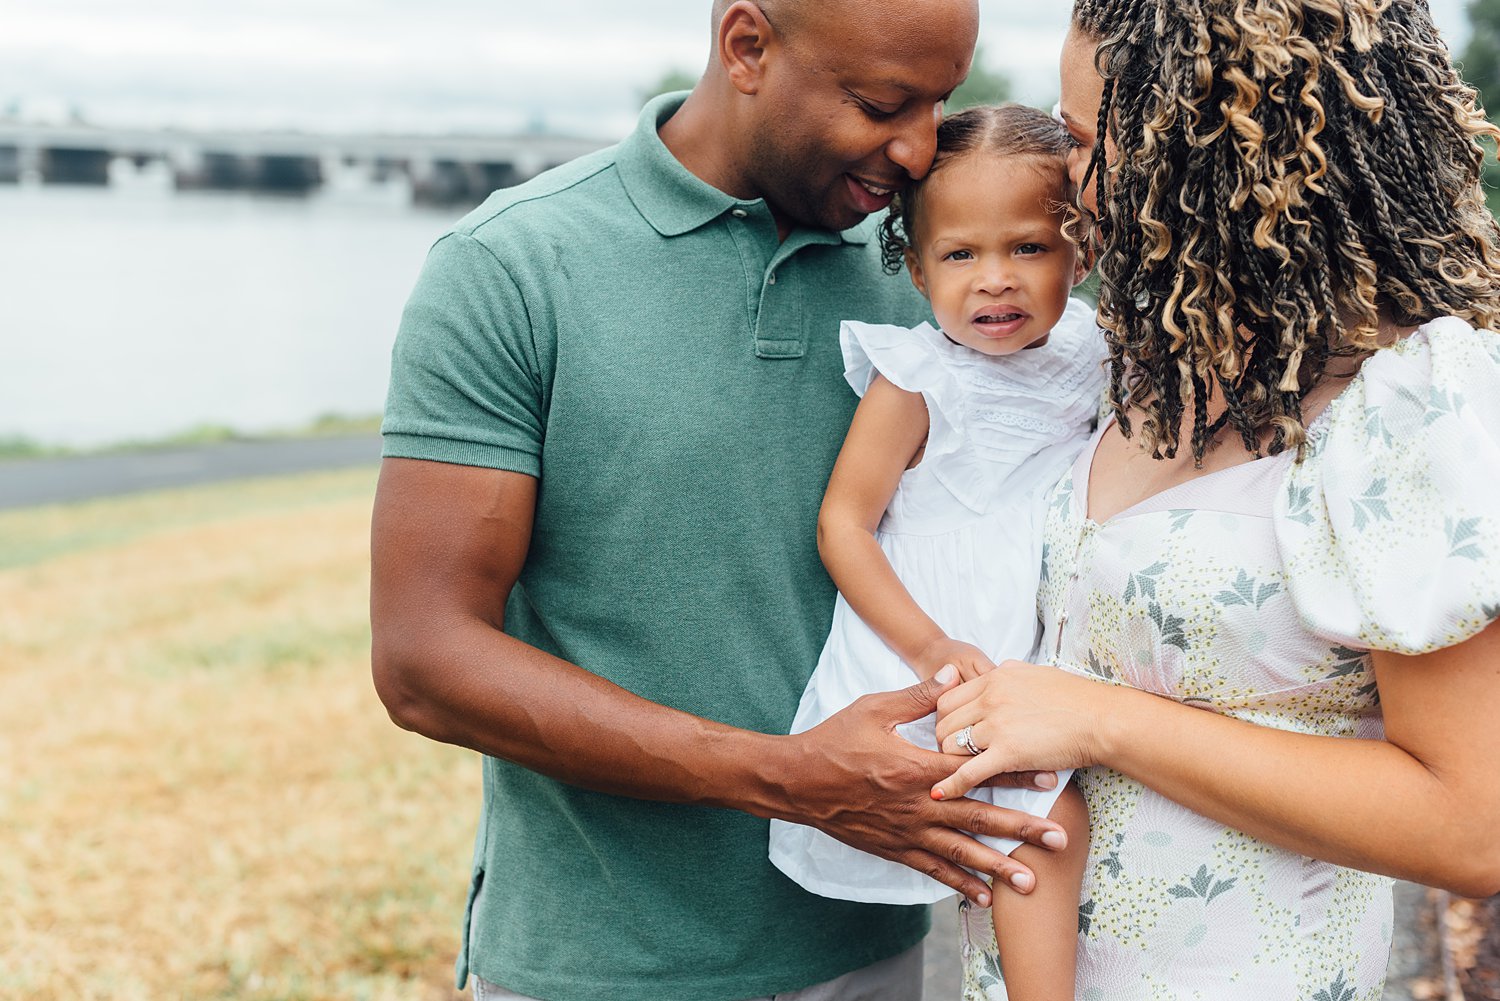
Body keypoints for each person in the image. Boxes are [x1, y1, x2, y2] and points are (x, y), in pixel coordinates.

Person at [369, 3, 1075, 1000]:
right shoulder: (513, 267)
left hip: (869, 949)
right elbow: (423, 659)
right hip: (593, 969)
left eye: (942, 102)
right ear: (747, 47)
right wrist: (787, 776)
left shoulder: (941, 270)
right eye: (883, 103)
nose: (920, 148)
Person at [923, 1, 1500, 998]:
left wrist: (1103, 721)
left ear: (1217, 160)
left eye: (1088, 140)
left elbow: (1471, 823)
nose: (1066, 176)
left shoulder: (1402, 407)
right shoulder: (1139, 362)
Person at [767, 103, 1101, 1001]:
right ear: (915, 270)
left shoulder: (1098, 354)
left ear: (1083, 250)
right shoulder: (918, 375)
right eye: (960, 255)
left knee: (1072, 817)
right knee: (1040, 818)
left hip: (1049, 628)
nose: (995, 281)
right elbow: (844, 522)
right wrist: (928, 648)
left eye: (1029, 247)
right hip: (943, 639)